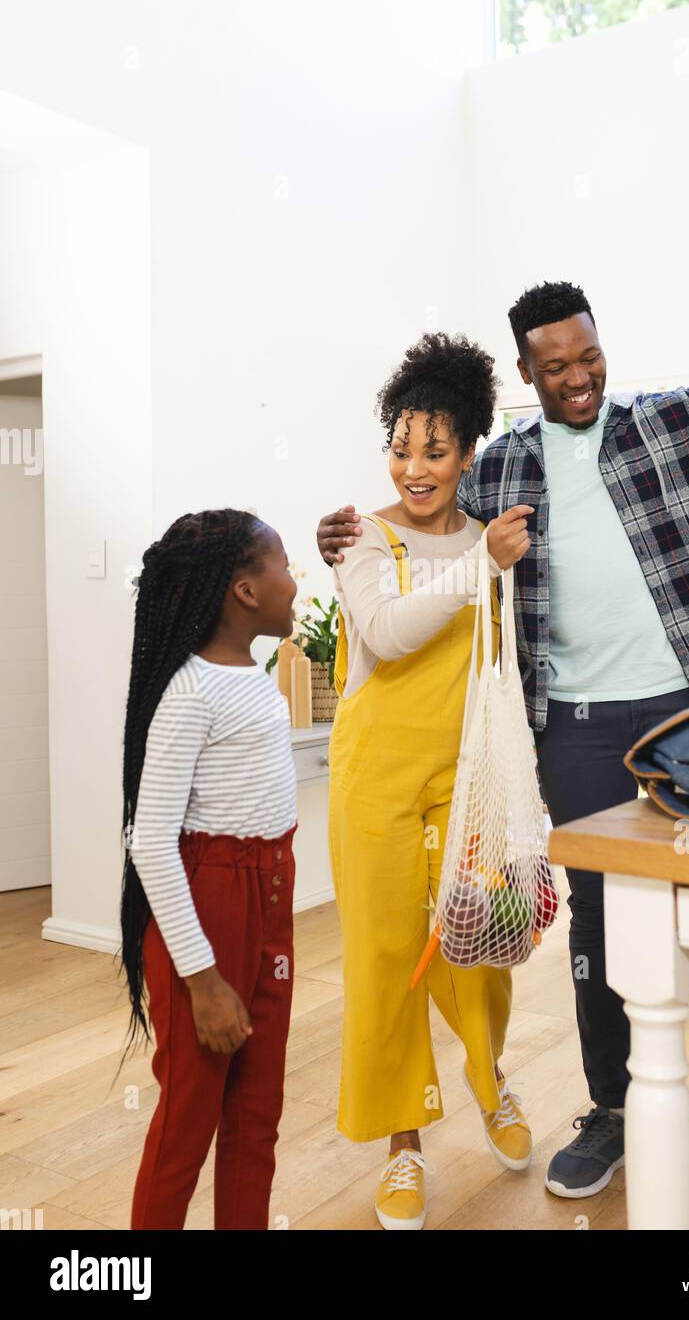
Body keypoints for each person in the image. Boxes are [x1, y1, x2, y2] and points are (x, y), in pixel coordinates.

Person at [316, 238, 689, 1217]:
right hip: (577, 727)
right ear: (527, 372)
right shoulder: (497, 464)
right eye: (555, 365)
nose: (578, 376)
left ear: (601, 347)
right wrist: (335, 539)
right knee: (597, 918)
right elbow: (412, 524)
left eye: (587, 356)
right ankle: (606, 1107)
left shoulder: (671, 419)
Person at [328, 331, 533, 1230]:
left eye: (435, 450)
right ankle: (401, 1146)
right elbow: (388, 631)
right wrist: (478, 564)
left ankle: (492, 1084)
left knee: (478, 937)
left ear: (468, 452)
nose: (415, 468)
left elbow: (505, 656)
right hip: (375, 772)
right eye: (402, 447)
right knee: (383, 960)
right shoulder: (359, 540)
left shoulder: (490, 535)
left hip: (467, 771)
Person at [118, 508, 299, 1230]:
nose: (296, 579)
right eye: (284, 564)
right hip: (209, 905)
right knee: (187, 1126)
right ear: (245, 591)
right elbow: (151, 841)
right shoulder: (190, 693)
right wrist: (203, 981)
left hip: (270, 894)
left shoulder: (250, 675)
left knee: (257, 1116)